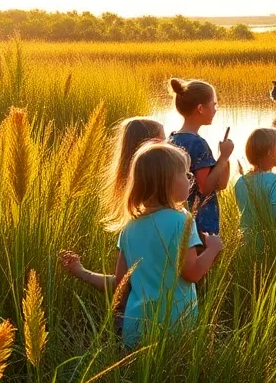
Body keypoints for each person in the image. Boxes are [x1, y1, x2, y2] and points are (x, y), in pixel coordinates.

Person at [78, 141, 222, 346]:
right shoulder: (182, 220)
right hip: (175, 327)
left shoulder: (129, 228)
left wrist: (82, 272)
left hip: (135, 327)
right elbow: (191, 273)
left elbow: (121, 285)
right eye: (185, 175)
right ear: (168, 182)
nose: (189, 180)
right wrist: (213, 249)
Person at [60, 116, 165, 310]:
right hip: (154, 320)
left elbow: (122, 284)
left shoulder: (135, 215)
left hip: (132, 319)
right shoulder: (157, 218)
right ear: (152, 151)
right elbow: (122, 285)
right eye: (163, 141)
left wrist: (82, 272)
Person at [167, 77, 235, 236]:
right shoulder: (197, 144)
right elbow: (206, 188)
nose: (216, 109)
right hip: (200, 223)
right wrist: (224, 157)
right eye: (214, 104)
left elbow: (221, 184)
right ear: (200, 108)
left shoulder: (172, 139)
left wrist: (223, 159)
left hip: (179, 219)